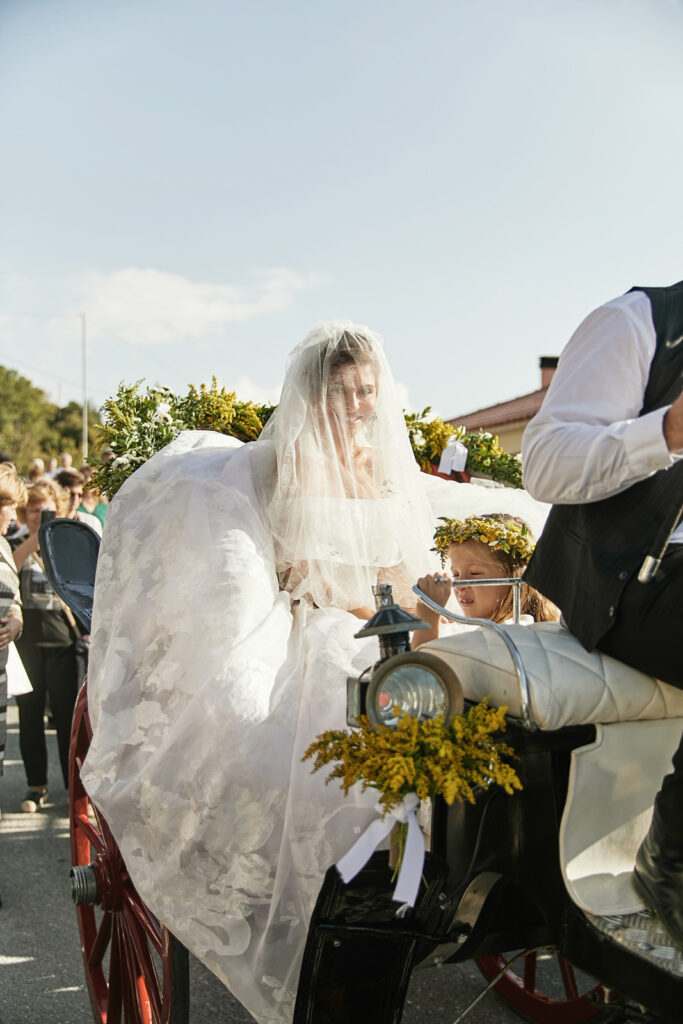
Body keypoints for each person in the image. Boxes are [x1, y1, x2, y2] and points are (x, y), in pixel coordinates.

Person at [522, 280, 683, 948]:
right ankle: (671, 864)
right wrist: (664, 431)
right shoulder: (639, 322)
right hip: (627, 581)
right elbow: (542, 465)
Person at [11, 479, 85, 811]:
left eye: (45, 510)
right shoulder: (14, 543)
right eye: (32, 510)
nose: (38, 516)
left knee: (68, 719)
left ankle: (74, 790)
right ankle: (35, 785)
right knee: (29, 718)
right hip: (27, 643)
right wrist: (32, 540)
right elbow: (9, 570)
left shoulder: (64, 542)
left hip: (63, 642)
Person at [414, 513, 558, 646]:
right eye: (455, 574)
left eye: (475, 573)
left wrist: (428, 618)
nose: (459, 585)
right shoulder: (541, 628)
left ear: (515, 576)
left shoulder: (507, 637)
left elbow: (418, 665)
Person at [0, 464, 26, 781]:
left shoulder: (4, 545)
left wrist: (17, 620)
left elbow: (14, 596)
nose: (14, 517)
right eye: (11, 507)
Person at [53, 469, 102, 536]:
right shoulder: (49, 523)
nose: (76, 499)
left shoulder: (92, 522)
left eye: (80, 495)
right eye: (71, 494)